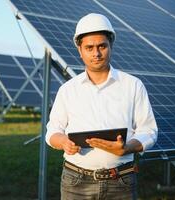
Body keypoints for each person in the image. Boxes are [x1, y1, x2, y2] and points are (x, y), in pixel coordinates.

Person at [46, 13, 158, 200]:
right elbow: (52, 131)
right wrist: (63, 142)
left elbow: (149, 130)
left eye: (102, 46)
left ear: (110, 46)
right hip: (76, 182)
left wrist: (127, 148)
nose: (96, 54)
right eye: (89, 48)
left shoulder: (133, 85)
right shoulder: (67, 90)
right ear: (80, 50)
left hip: (121, 180)